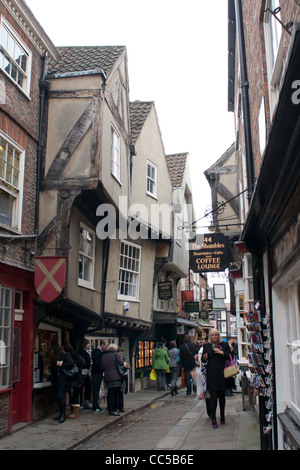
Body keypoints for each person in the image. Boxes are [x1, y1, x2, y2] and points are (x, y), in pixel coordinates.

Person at [202, 328, 231, 428]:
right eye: (212, 335)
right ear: (210, 337)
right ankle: (213, 418)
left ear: (218, 336)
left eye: (215, 335)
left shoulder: (224, 345)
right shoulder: (207, 346)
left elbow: (229, 356)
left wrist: (221, 352)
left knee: (222, 396)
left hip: (222, 374)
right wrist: (204, 357)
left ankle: (222, 415)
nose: (214, 337)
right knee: (213, 397)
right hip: (211, 374)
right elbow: (203, 359)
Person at [55, 342, 83, 423]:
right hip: (60, 380)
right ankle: (62, 414)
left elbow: (73, 363)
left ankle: (68, 414)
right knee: (62, 396)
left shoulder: (67, 356)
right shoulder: (58, 357)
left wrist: (62, 364)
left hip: (68, 380)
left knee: (68, 396)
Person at [101, 343, 128, 416]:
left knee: (110, 393)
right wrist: (125, 364)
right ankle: (113, 410)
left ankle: (110, 408)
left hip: (107, 376)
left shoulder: (104, 355)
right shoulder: (115, 354)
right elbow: (121, 363)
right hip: (115, 377)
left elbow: (102, 366)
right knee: (115, 394)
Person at [91, 339, 108, 413]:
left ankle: (96, 405)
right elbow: (97, 364)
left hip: (99, 373)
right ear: (102, 345)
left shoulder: (101, 352)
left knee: (98, 390)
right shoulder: (96, 352)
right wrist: (103, 368)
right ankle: (95, 406)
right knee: (96, 390)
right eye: (106, 346)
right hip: (96, 373)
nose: (106, 348)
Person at [79, 338, 92, 409]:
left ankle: (81, 402)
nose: (89, 345)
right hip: (84, 372)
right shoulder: (83, 353)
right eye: (88, 343)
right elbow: (85, 363)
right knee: (87, 387)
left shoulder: (82, 352)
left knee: (83, 387)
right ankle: (84, 402)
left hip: (84, 372)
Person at [117, 347, 128, 412]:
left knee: (121, 391)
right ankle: (120, 406)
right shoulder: (118, 359)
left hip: (123, 375)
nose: (121, 353)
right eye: (120, 352)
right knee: (120, 392)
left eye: (121, 352)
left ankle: (121, 406)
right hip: (120, 375)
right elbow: (120, 368)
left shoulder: (121, 358)